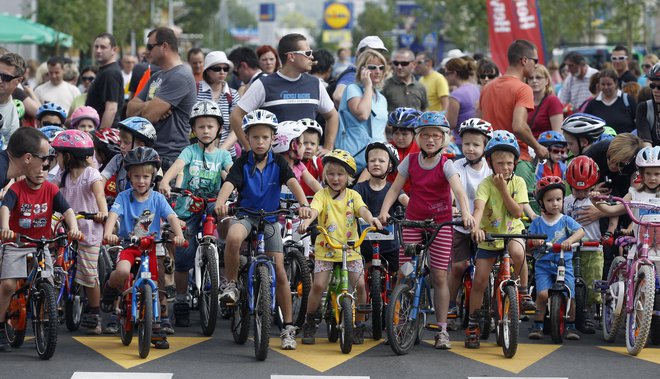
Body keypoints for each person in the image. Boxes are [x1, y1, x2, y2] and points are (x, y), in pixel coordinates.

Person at [214, 109, 312, 351]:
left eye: (265, 138)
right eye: (255, 137)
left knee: (279, 270)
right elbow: (229, 184)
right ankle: (232, 284)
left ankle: (288, 327)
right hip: (246, 215)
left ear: (272, 139)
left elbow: (292, 182)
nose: (259, 142)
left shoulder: (278, 162)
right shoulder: (242, 162)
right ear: (247, 138)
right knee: (234, 237)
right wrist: (220, 201)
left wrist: (304, 205)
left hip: (269, 220)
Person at [378, 111, 475, 350]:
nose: (430, 140)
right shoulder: (410, 161)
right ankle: (397, 320)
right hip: (414, 220)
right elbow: (394, 189)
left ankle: (441, 330)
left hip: (440, 223)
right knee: (404, 272)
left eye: (435, 135)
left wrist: (465, 213)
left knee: (440, 276)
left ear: (443, 139)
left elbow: (460, 192)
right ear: (418, 137)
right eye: (425, 135)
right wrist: (383, 211)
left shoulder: (447, 163)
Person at [0, 139, 82, 351]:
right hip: (17, 243)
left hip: (41, 244)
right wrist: (5, 228)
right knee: (8, 285)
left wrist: (73, 227)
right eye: (37, 169)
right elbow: (5, 209)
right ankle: (0, 326)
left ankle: (46, 322)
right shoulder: (16, 189)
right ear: (27, 167)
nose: (40, 173)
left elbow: (67, 211)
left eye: (45, 169)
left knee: (49, 281)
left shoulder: (52, 190)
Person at [102, 147, 186, 350]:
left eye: (146, 177)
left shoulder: (158, 198)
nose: (141, 181)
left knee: (157, 286)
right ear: (129, 176)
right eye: (137, 176)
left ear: (153, 177)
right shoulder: (123, 197)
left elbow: (172, 217)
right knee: (121, 272)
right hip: (130, 246)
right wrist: (108, 233)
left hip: (152, 247)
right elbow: (113, 215)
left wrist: (179, 236)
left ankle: (155, 326)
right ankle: (111, 289)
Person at [158, 100, 232, 327]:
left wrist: (236, 185)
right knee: (182, 256)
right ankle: (180, 298)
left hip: (212, 203)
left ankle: (220, 255)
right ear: (193, 130)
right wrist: (166, 180)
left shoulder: (223, 155)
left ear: (219, 128)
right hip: (188, 204)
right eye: (201, 127)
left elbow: (230, 175)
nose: (206, 130)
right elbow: (178, 166)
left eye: (210, 126)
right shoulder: (189, 151)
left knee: (227, 216)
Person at [299, 149, 383, 345]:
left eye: (340, 174)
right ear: (325, 175)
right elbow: (314, 209)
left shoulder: (353, 195)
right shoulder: (322, 195)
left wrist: (372, 219)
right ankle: (310, 321)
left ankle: (359, 324)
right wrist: (307, 220)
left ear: (349, 177)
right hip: (326, 248)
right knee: (319, 285)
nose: (335, 178)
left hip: (350, 249)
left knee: (361, 285)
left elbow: (363, 210)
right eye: (331, 174)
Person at [466, 130, 533, 348]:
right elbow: (478, 208)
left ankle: (522, 291)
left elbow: (517, 213)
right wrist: (475, 227)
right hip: (489, 237)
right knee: (480, 281)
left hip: (512, 231)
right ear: (490, 163)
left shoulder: (519, 183)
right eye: (500, 163)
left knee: (518, 253)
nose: (505, 168)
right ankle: (473, 324)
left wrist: (504, 189)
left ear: (515, 162)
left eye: (509, 163)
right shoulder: (485, 184)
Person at [229, 34, 338, 155]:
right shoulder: (263, 84)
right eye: (307, 53)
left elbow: (332, 116)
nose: (311, 57)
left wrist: (328, 148)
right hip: (274, 164)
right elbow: (236, 116)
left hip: (306, 164)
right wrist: (250, 148)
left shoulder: (315, 84)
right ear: (291, 56)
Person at [51, 130, 108, 335]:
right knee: (53, 256)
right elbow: (51, 191)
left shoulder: (91, 174)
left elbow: (99, 194)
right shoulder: (62, 174)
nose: (55, 158)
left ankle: (94, 313)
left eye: (57, 154)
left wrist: (102, 212)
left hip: (88, 229)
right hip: (66, 226)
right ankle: (51, 293)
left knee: (89, 274)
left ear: (67, 156)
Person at [478, 39, 548, 194]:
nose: (536, 65)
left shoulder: (487, 88)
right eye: (534, 61)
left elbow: (481, 124)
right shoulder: (523, 89)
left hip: (489, 162)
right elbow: (518, 126)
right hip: (516, 161)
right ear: (524, 60)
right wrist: (538, 147)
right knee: (525, 213)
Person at [127, 27, 197, 172]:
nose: (147, 52)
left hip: (169, 158)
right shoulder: (156, 76)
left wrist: (147, 109)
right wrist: (150, 105)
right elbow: (129, 110)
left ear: (164, 46)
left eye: (150, 47)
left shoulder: (181, 76)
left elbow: (148, 116)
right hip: (151, 153)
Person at [527, 176, 586, 341]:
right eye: (550, 200)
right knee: (542, 295)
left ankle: (570, 325)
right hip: (543, 265)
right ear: (541, 203)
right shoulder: (538, 222)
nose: (555, 203)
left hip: (564, 263)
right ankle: (537, 325)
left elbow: (581, 231)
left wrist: (569, 241)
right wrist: (535, 241)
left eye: (558, 199)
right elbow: (529, 240)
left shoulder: (566, 220)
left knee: (569, 295)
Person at [447, 118, 493, 326]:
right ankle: (449, 304)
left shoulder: (490, 169)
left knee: (487, 271)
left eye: (476, 144)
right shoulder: (457, 165)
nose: (470, 149)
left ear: (485, 146)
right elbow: (453, 190)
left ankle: (488, 308)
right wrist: (452, 206)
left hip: (485, 226)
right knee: (458, 267)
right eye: (466, 144)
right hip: (460, 224)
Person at [564, 156, 614, 334]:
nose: (581, 193)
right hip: (571, 247)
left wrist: (609, 233)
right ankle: (570, 312)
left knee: (592, 285)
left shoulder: (596, 199)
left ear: (593, 185)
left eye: (585, 189)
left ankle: (589, 312)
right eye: (577, 189)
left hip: (593, 248)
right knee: (568, 281)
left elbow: (613, 214)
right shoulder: (565, 201)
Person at [354, 142, 404, 273]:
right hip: (365, 244)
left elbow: (406, 200)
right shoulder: (359, 188)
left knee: (395, 275)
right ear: (367, 165)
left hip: (390, 245)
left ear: (390, 165)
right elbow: (351, 203)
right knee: (362, 276)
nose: (376, 163)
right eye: (372, 160)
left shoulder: (393, 189)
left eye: (381, 161)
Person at [335, 49, 389, 173]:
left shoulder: (382, 98)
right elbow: (363, 114)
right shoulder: (352, 89)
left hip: (377, 160)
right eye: (372, 67)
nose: (378, 71)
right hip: (354, 158)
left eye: (381, 68)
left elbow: (381, 130)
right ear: (362, 69)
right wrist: (368, 86)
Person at [196, 51, 240, 158]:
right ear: (207, 71)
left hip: (226, 155)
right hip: (198, 154)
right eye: (217, 68)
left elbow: (236, 129)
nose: (222, 72)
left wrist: (220, 152)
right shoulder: (195, 90)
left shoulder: (233, 94)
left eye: (225, 69)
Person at [101, 116, 157, 198]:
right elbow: (102, 178)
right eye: (121, 142)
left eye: (126, 142)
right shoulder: (118, 159)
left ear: (140, 145)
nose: (122, 146)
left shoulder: (152, 163)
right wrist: (99, 195)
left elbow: (159, 186)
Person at [331, 36, 389, 107]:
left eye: (379, 52)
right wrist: (355, 114)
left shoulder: (374, 74)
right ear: (358, 53)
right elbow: (338, 96)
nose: (376, 55)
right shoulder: (353, 74)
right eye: (370, 52)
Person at [272, 120, 323, 195]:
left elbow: (312, 182)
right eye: (303, 144)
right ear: (293, 146)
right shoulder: (274, 166)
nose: (305, 148)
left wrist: (326, 197)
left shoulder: (299, 166)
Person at [584, 68, 637, 134]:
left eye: (609, 84)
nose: (606, 87)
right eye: (603, 84)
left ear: (616, 83)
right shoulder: (592, 104)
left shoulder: (628, 100)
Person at [0, 127, 51, 191]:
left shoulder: (5, 170)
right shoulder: (1, 171)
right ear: (28, 158)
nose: (46, 163)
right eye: (44, 158)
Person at [444, 57, 480, 145]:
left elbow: (451, 124)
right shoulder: (475, 88)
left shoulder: (456, 95)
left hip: (461, 142)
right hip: (476, 140)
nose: (445, 77)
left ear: (454, 73)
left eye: (447, 73)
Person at [526, 64, 563, 137]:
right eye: (530, 78)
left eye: (538, 77)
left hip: (546, 146)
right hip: (527, 146)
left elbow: (557, 134)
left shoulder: (553, 101)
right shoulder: (525, 101)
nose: (534, 81)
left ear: (547, 81)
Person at [0, 52, 26, 142]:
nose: (0, 80)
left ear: (18, 80)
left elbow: (8, 151)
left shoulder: (12, 117)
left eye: (6, 77)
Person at [635, 63, 660, 146]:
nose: (655, 90)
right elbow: (646, 142)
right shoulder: (644, 108)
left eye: (659, 87)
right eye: (652, 86)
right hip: (654, 157)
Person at [299, 118, 324, 197]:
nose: (309, 147)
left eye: (313, 144)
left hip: (313, 205)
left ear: (317, 146)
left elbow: (327, 183)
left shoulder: (317, 162)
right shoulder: (290, 161)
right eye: (305, 143)